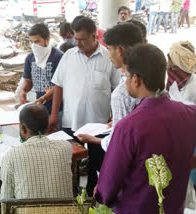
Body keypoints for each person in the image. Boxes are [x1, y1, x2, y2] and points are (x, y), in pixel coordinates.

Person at [95, 44, 196, 214]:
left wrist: (101, 194)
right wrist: (186, 163)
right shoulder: (189, 114)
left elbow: (107, 187)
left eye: (125, 75)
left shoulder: (128, 127)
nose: (125, 80)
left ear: (136, 79)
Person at [76, 23, 144, 196]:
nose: (108, 55)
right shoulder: (148, 77)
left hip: (129, 172)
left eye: (110, 49)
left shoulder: (123, 91)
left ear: (120, 51)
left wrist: (94, 140)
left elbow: (120, 146)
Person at [50, 16, 120, 134]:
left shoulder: (109, 57)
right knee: (74, 152)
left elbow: (116, 90)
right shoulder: (68, 56)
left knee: (96, 153)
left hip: (99, 125)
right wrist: (54, 114)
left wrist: (114, 117)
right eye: (76, 39)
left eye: (82, 39)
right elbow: (58, 86)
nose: (78, 43)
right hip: (71, 122)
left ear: (94, 36)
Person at [0, 103, 73, 200]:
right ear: (47, 126)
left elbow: (6, 199)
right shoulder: (66, 147)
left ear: (23, 128)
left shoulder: (11, 155)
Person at [19, 23, 63, 113]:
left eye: (37, 41)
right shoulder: (30, 57)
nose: (33, 45)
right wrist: (23, 90)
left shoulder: (58, 57)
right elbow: (28, 80)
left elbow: (60, 86)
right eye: (31, 42)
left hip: (58, 109)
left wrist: (44, 98)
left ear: (47, 40)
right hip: (40, 108)